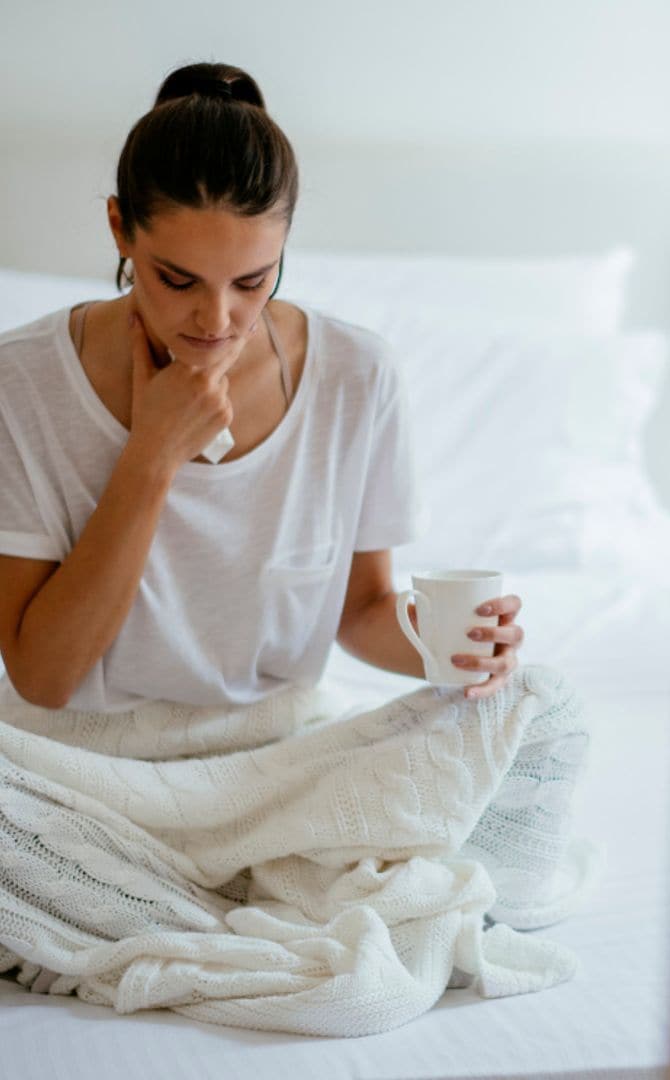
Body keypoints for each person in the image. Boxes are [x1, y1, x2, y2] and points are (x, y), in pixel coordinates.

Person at [0, 62, 591, 1037]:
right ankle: (216, 902)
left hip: (276, 760)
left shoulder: (358, 374)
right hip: (78, 772)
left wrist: (455, 654)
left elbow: (365, 613)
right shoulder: (24, 381)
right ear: (119, 233)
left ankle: (171, 905)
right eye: (175, 279)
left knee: (546, 708)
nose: (216, 321)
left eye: (253, 281)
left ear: (284, 249)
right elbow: (47, 673)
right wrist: (150, 459)